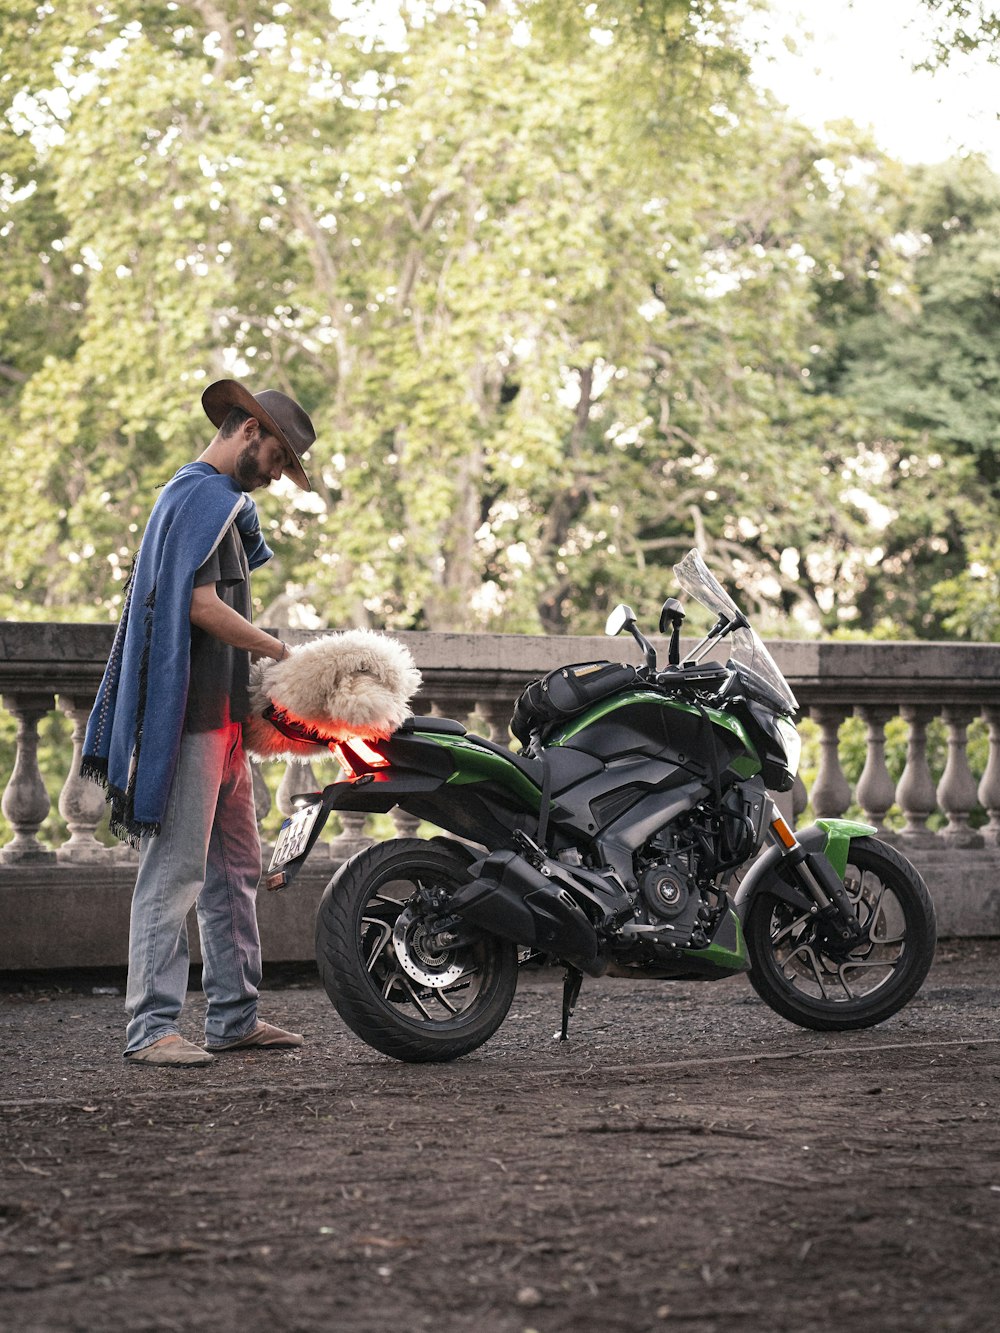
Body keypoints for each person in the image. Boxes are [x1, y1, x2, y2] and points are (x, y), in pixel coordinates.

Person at [83, 378, 316, 1067]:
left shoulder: (221, 504)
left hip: (223, 720)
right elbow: (198, 604)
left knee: (235, 868)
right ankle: (151, 1027)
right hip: (187, 721)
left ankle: (235, 1016)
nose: (277, 474)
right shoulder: (199, 496)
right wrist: (276, 648)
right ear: (248, 430)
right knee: (175, 871)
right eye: (277, 456)